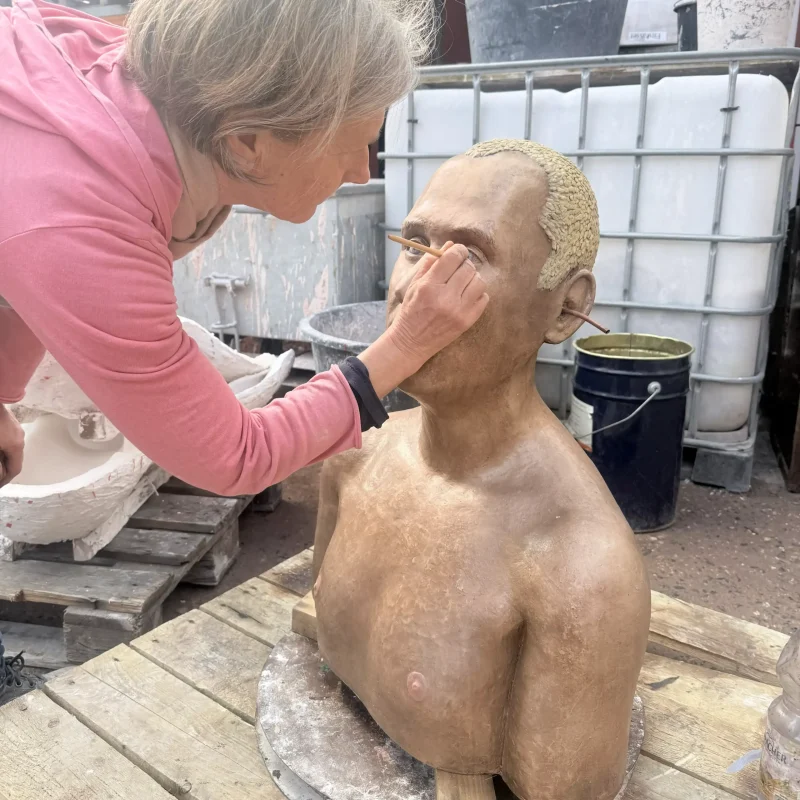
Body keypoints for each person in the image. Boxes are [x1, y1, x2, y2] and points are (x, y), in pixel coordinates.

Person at [0, 0, 488, 699]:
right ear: (249, 142)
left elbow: (15, 267)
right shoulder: (85, 210)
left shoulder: (134, 91)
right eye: (353, 144)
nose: (359, 171)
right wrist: (403, 347)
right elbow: (235, 456)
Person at [312, 140, 650, 800]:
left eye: (467, 261)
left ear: (564, 308)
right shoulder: (353, 460)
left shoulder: (579, 570)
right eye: (414, 247)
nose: (417, 291)